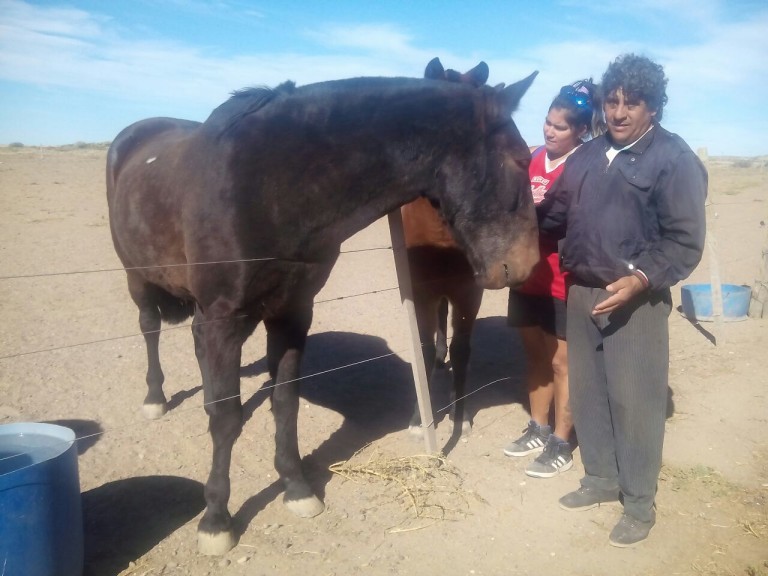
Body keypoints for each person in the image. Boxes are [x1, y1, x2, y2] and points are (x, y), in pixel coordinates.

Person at [536, 53, 707, 547]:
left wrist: (640, 279)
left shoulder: (673, 159)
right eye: (612, 101)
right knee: (589, 394)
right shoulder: (587, 156)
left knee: (635, 400)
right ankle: (601, 479)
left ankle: (637, 502)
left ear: (652, 107)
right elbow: (555, 216)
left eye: (632, 102)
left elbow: (684, 240)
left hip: (636, 300)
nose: (619, 111)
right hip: (582, 291)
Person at [504, 79, 604, 479]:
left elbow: (561, 218)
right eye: (547, 122)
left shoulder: (583, 166)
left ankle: (562, 440)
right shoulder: (532, 160)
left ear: (580, 130)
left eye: (560, 127)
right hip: (528, 277)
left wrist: (522, 216)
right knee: (534, 356)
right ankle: (538, 426)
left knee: (563, 362)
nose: (549, 131)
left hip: (563, 280)